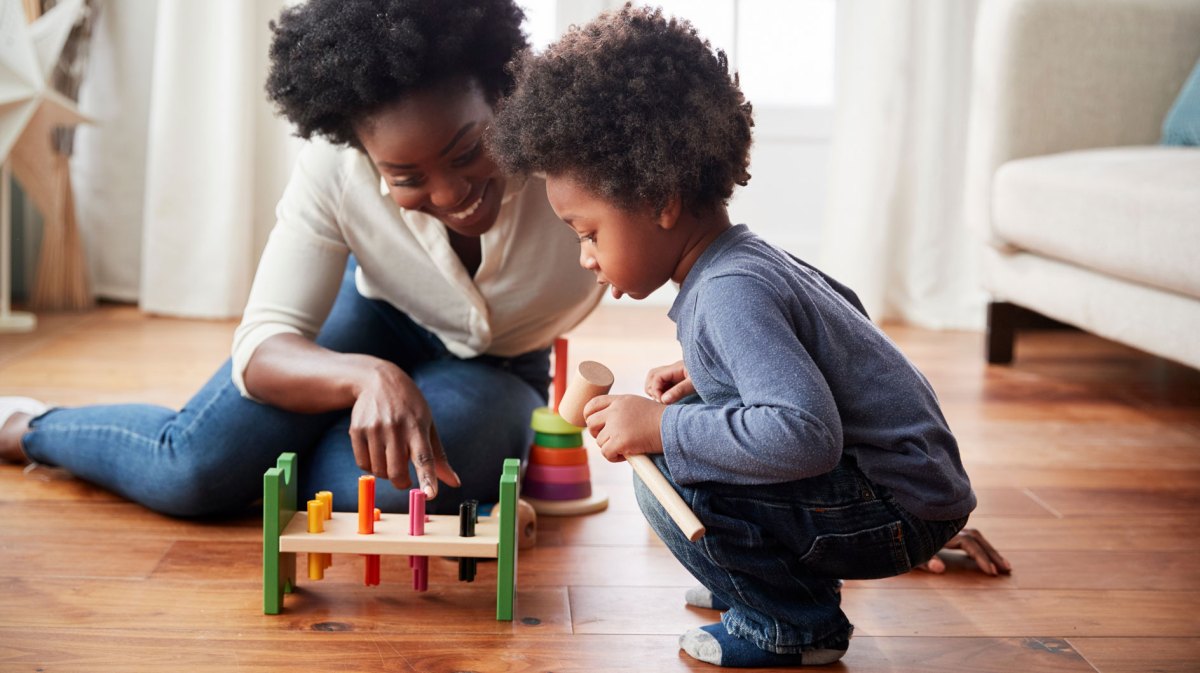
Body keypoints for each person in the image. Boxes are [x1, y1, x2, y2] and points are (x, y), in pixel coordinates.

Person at [488, 5, 1006, 667]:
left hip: (893, 508)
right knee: (700, 427)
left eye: (588, 233)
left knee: (667, 475)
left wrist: (660, 428)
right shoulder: (745, 260)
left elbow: (806, 434)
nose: (585, 257)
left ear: (661, 201)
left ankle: (791, 622)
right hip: (912, 489)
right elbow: (836, 337)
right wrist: (712, 372)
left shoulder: (728, 291)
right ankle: (760, 578)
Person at [0, 0, 603, 516]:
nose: (449, 195)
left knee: (374, 492)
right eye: (406, 176)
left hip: (500, 365)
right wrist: (367, 378)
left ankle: (271, 455)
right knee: (193, 471)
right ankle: (27, 428)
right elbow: (263, 345)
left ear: (501, 95)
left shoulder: (577, 149)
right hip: (378, 315)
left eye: (469, 152)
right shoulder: (334, 169)